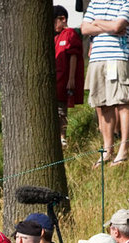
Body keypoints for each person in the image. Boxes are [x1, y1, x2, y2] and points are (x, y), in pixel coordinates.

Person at [53, 6, 84, 146]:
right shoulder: (56, 37)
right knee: (56, 108)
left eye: (54, 22)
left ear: (62, 19)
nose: (53, 26)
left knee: (61, 110)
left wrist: (71, 79)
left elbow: (73, 56)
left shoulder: (70, 34)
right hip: (56, 79)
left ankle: (62, 136)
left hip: (65, 80)